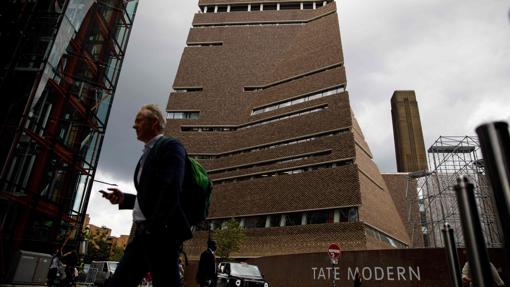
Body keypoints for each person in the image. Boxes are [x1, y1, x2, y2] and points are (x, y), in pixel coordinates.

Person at [101, 104, 192, 287]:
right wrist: (125, 199)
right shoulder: (146, 155)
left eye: (139, 120)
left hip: (160, 235)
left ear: (154, 122)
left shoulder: (171, 147)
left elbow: (171, 189)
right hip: (143, 234)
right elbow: (152, 197)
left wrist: (155, 227)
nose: (134, 126)